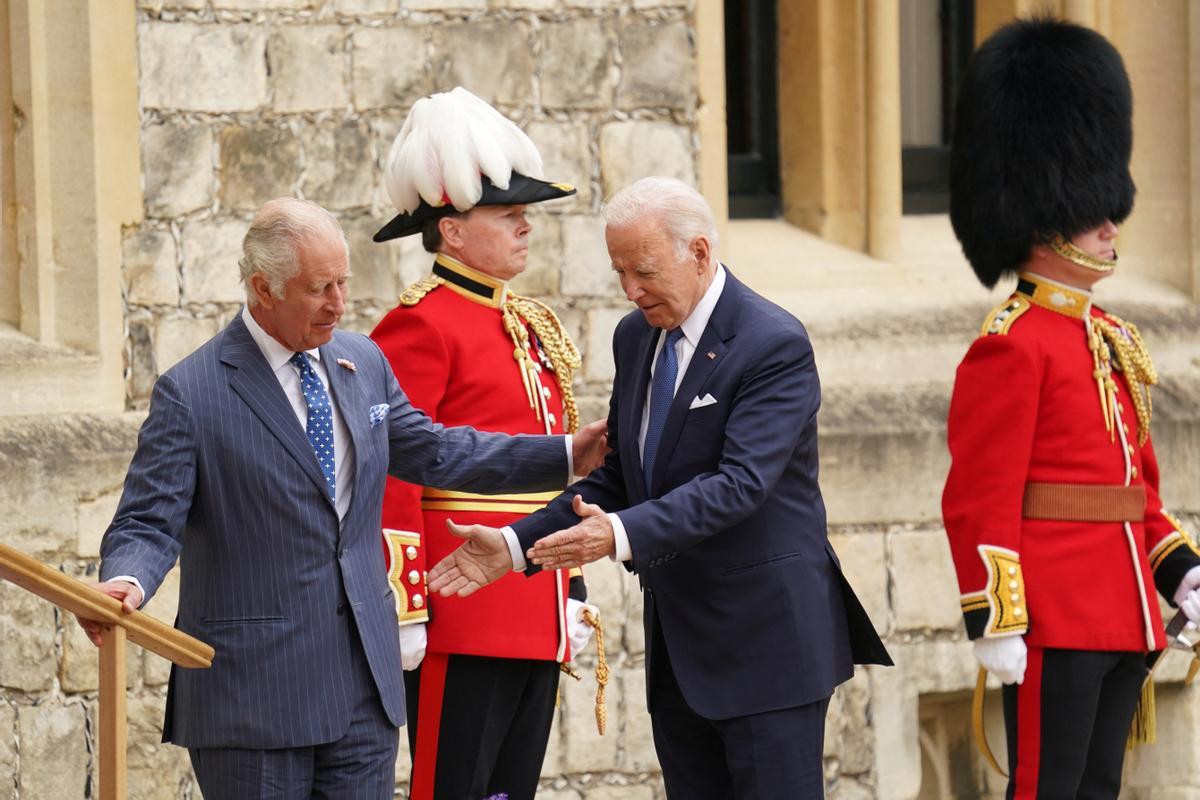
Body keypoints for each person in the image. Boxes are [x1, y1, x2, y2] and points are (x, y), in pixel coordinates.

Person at [74, 197, 607, 799]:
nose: (338, 303)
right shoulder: (192, 392)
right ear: (263, 289)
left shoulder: (363, 359)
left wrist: (565, 454)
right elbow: (148, 520)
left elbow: (436, 450)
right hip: (254, 700)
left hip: (362, 695)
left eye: (343, 282)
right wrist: (126, 581)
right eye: (318, 288)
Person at [427, 176, 892, 800]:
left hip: (767, 648)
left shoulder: (772, 343)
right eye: (619, 271)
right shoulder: (635, 336)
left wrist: (615, 535)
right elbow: (619, 476)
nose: (630, 290)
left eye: (642, 270)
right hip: (680, 651)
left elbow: (739, 484)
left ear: (699, 253)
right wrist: (515, 545)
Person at [941, 18, 1200, 798]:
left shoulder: (1110, 337)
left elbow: (1136, 491)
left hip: (1124, 611)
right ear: (1045, 219)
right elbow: (977, 499)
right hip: (1053, 614)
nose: (1111, 224)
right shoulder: (1012, 345)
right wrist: (996, 619)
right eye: (1093, 211)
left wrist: (1184, 574)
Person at [369, 87, 598, 800]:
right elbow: (395, 474)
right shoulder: (419, 325)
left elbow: (560, 473)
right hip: (460, 609)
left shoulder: (528, 323)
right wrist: (407, 605)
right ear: (454, 231)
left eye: (525, 214)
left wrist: (575, 585)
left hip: (533, 597)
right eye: (508, 215)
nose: (526, 227)